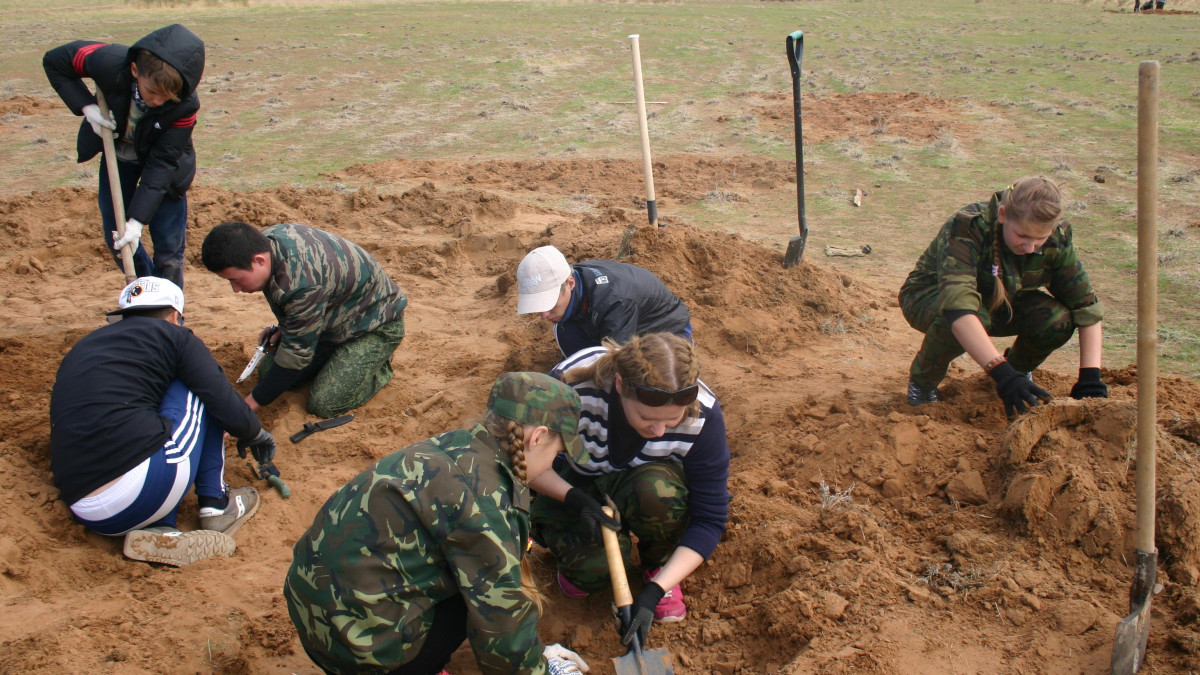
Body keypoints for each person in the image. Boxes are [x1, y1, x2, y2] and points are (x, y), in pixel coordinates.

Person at [284, 372, 592, 675]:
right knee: (476, 596)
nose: (551, 464)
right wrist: (540, 667)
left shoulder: (456, 445)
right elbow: (502, 629)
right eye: (556, 454)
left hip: (312, 614)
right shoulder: (486, 501)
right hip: (360, 653)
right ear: (537, 437)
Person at [49, 277, 275, 566]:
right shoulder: (177, 337)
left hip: (85, 508)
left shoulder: (83, 348)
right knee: (197, 387)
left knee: (141, 419)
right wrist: (254, 432)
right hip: (138, 492)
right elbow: (219, 397)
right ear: (174, 316)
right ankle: (217, 506)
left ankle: (161, 528)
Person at [530, 332, 730, 649]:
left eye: (672, 420)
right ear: (620, 385)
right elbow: (526, 463)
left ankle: (658, 563)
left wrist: (654, 592)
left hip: (643, 481)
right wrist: (574, 498)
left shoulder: (703, 414)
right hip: (572, 480)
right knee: (590, 573)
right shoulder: (571, 388)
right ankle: (574, 555)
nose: (659, 431)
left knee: (659, 492)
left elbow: (710, 519)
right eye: (646, 418)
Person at [899, 176, 1108, 417]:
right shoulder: (968, 227)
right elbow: (958, 307)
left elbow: (1085, 307)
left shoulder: (1056, 240)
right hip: (928, 297)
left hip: (1001, 301)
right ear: (1002, 215)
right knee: (973, 316)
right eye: (1022, 236)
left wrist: (1090, 380)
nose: (1030, 247)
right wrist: (1001, 372)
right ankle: (923, 384)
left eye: (1039, 239)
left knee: (1057, 319)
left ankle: (1019, 369)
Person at [43, 24, 205, 288]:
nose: (157, 102)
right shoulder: (108, 62)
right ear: (134, 70)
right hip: (119, 154)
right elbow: (55, 61)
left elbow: (162, 164)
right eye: (152, 92)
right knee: (119, 239)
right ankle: (143, 291)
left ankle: (169, 306)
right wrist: (86, 106)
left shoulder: (185, 104)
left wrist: (138, 222)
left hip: (167, 165)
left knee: (169, 251)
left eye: (166, 97)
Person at [200, 221, 408, 418]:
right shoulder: (265, 244)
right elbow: (299, 305)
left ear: (259, 261)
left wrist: (245, 409)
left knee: (325, 404)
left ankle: (378, 366)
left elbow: (294, 356)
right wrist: (285, 328)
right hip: (332, 320)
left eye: (235, 280)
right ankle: (336, 359)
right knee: (268, 372)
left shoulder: (302, 282)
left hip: (375, 324)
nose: (235, 289)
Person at [516, 245, 692, 357]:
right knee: (565, 331)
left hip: (666, 331)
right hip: (618, 317)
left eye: (550, 303)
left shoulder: (615, 301)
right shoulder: (575, 275)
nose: (543, 315)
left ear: (570, 283)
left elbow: (615, 363)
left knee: (641, 383)